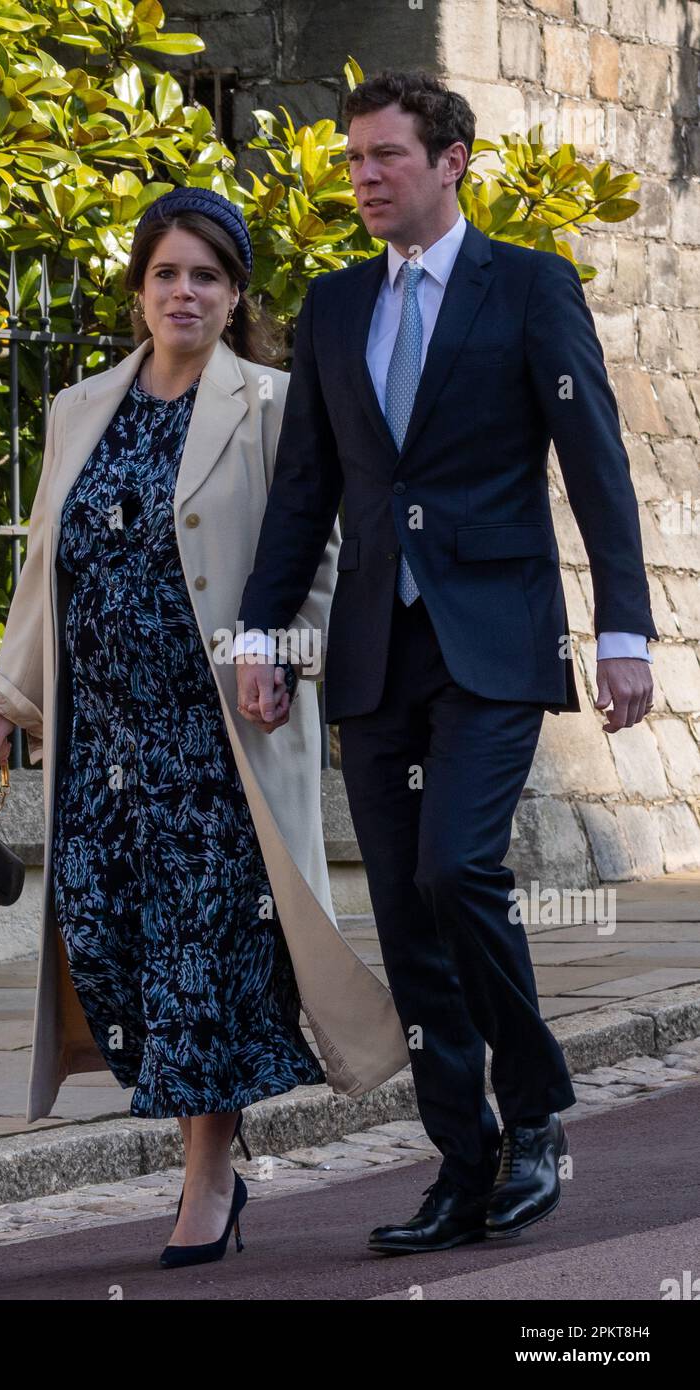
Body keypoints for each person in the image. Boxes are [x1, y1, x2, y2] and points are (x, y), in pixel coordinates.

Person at [234, 69, 657, 1254]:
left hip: (491, 635)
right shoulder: (329, 308)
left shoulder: (526, 288)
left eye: (384, 157)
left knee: (452, 873)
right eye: (353, 159)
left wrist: (619, 628)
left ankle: (534, 1114)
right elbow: (305, 488)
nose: (363, 178)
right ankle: (459, 1162)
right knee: (406, 916)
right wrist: (265, 632)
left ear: (451, 159)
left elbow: (594, 461)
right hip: (371, 649)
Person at [0, 186, 410, 1271]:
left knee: (203, 963)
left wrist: (285, 656)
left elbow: (320, 557)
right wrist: (9, 695)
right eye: (166, 273)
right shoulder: (81, 408)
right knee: (113, 955)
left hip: (217, 740)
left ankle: (206, 1178)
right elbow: (45, 565)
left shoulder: (268, 403)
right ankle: (206, 1145)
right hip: (102, 748)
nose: (184, 292)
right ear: (138, 290)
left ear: (234, 297)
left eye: (205, 276)